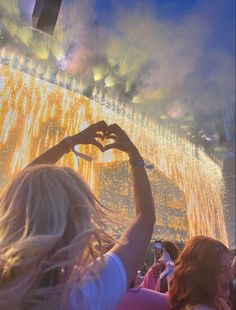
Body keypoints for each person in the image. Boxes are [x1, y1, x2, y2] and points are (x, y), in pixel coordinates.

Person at [0, 121, 156, 310]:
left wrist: (70, 143)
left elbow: (19, 193)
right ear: (79, 226)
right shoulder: (86, 294)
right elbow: (145, 216)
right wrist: (134, 155)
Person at [169, 236, 234, 310]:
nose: (231, 276)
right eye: (222, 270)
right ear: (201, 276)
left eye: (230, 267)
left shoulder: (215, 302)